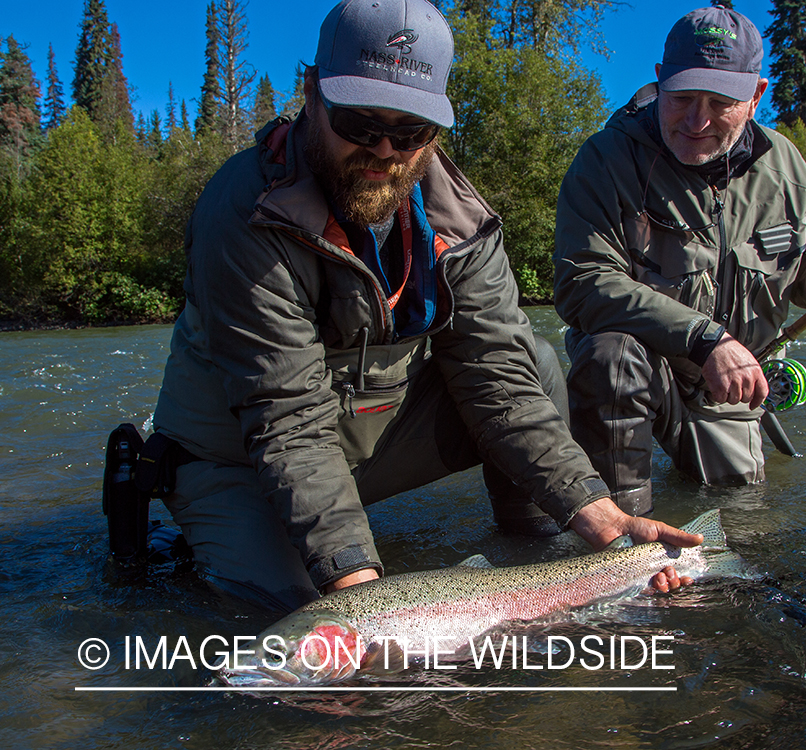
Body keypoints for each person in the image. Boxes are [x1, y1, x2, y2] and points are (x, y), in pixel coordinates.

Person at [150, 0, 698, 611]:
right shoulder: (247, 211)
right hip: (241, 456)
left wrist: (599, 517)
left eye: (411, 132)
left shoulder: (460, 220)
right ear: (312, 95)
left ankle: (534, 556)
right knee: (293, 629)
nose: (384, 151)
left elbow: (502, 382)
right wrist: (361, 599)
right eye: (359, 123)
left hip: (367, 436)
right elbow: (288, 420)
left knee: (535, 366)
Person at [553, 7, 806, 516]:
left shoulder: (787, 168)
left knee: (741, 524)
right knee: (610, 355)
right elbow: (582, 283)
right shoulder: (606, 161)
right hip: (644, 369)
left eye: (720, 102)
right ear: (659, 81)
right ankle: (618, 550)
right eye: (683, 97)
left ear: (756, 96)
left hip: (730, 389)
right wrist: (706, 338)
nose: (697, 120)